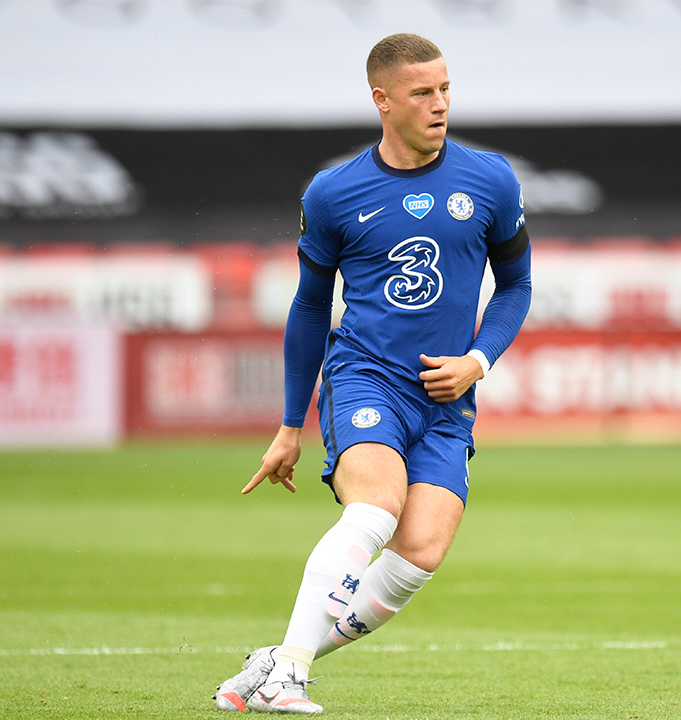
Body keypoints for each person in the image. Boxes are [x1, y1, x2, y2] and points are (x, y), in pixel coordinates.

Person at [211, 33, 532, 715]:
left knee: (419, 555)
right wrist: (289, 424)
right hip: (366, 379)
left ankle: (277, 659)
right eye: (423, 93)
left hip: (447, 402)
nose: (440, 104)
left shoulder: (492, 180)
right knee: (377, 507)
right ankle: (291, 676)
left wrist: (478, 361)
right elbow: (307, 306)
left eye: (445, 89)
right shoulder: (334, 193)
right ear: (382, 100)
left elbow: (515, 288)